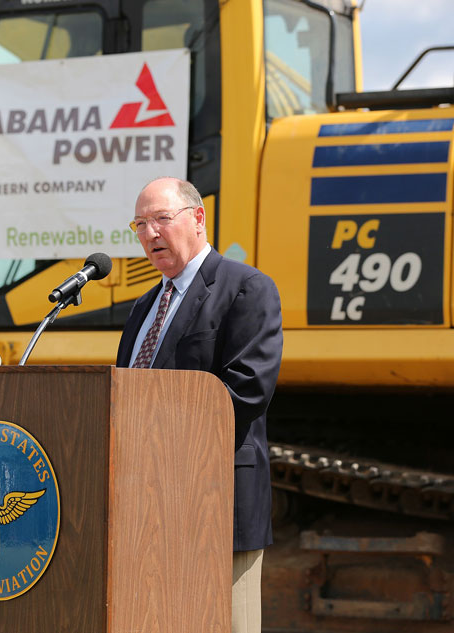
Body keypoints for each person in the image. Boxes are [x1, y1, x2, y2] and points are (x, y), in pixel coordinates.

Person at [116, 177, 283, 633]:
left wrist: (157, 444)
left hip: (216, 502)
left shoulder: (247, 288)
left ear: (198, 218)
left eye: (161, 220)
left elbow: (246, 391)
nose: (150, 234)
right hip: (147, 506)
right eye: (140, 224)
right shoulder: (144, 306)